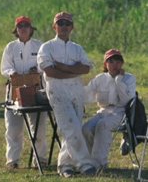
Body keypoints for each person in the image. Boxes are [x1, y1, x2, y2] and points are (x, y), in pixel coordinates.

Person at [37, 12, 95, 178]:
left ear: (72, 27)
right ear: (54, 27)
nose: (63, 26)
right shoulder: (46, 47)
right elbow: (49, 71)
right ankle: (85, 165)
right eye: (60, 23)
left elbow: (86, 68)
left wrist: (62, 67)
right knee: (71, 128)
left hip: (76, 89)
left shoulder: (77, 48)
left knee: (72, 127)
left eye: (67, 24)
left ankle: (65, 166)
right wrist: (72, 70)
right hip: (57, 89)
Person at [1, 16, 48, 168]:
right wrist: (11, 72)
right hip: (15, 91)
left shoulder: (39, 45)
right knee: (13, 129)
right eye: (20, 26)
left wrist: (37, 69)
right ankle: (13, 161)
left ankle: (40, 159)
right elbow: (5, 67)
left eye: (26, 25)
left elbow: (45, 64)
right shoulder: (10, 47)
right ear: (16, 30)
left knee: (39, 128)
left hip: (35, 90)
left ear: (31, 28)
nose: (23, 28)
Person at [82, 49, 136, 170]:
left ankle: (100, 164)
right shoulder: (100, 78)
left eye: (117, 61)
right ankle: (89, 161)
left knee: (103, 125)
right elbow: (86, 94)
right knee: (86, 128)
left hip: (121, 113)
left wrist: (119, 81)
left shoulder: (129, 79)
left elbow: (127, 102)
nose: (114, 65)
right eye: (110, 62)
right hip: (103, 112)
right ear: (105, 64)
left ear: (122, 63)